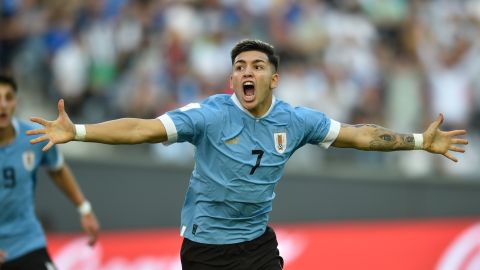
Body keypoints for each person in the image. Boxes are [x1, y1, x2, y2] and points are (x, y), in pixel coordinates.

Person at [27, 40, 468, 270]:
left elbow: (358, 136)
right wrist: (79, 131)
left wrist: (418, 141)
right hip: (205, 249)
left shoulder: (296, 121)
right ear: (232, 79)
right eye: (239, 67)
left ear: (273, 79)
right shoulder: (208, 115)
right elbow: (141, 129)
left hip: (256, 246)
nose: (246, 72)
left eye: (256, 66)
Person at [0, 74, 100, 270]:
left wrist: (84, 209)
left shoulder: (34, 138)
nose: (2, 104)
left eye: (8, 97)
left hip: (27, 242)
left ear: (15, 102)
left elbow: (57, 170)